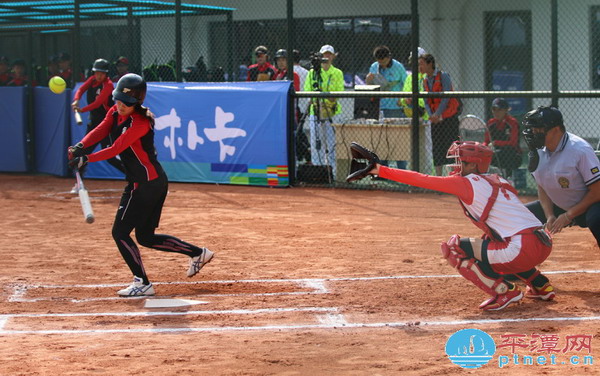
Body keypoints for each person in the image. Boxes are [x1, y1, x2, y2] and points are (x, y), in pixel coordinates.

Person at [356, 141, 555, 311]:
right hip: (542, 243)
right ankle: (541, 286)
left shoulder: (465, 183)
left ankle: (504, 291)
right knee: (491, 239)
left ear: (474, 165)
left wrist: (379, 169)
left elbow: (420, 179)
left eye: (462, 162)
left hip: (520, 249)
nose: (457, 166)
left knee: (455, 246)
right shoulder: (499, 180)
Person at [67, 73, 215, 296]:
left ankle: (142, 282)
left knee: (120, 232)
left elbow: (115, 148)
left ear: (137, 103)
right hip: (148, 182)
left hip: (147, 184)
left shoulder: (141, 122)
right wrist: (81, 146)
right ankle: (198, 253)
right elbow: (101, 130)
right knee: (145, 237)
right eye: (118, 100)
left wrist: (86, 158)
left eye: (126, 103)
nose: (120, 105)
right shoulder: (114, 111)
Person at [522, 106, 600, 247]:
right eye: (532, 129)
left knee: (597, 219)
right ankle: (523, 266)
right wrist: (549, 215)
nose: (534, 133)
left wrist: (569, 215)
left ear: (556, 129)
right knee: (519, 217)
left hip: (591, 204)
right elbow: (542, 185)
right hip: (561, 205)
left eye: (538, 129)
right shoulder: (538, 150)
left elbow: (597, 191)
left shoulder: (579, 150)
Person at [71, 58, 124, 190]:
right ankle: (79, 184)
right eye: (96, 72)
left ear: (106, 74)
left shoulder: (108, 85)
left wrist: (81, 109)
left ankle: (135, 177)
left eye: (102, 73)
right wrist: (76, 100)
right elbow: (81, 89)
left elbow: (98, 103)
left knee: (110, 156)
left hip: (107, 123)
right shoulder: (92, 80)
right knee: (82, 152)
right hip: (94, 122)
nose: (98, 75)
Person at [304, 44, 345, 179]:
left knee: (332, 143)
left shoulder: (337, 72)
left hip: (331, 112)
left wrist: (327, 100)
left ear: (333, 56)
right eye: (324, 54)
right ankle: (317, 172)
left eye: (329, 54)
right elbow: (308, 92)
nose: (326, 57)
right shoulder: (312, 72)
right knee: (316, 144)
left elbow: (338, 93)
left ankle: (332, 172)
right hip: (315, 111)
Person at [421, 53, 461, 176]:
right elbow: (426, 100)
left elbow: (446, 97)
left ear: (430, 64)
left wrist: (438, 114)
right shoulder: (425, 80)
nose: (419, 67)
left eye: (421, 64)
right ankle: (439, 178)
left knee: (451, 146)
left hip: (448, 118)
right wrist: (431, 115)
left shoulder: (443, 76)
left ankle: (453, 176)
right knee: (437, 148)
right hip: (435, 120)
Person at [365, 45, 407, 118]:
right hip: (379, 105)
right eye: (379, 62)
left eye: (384, 62)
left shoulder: (398, 67)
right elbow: (370, 86)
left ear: (389, 57)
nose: (382, 64)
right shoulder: (374, 66)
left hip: (395, 106)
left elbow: (406, 84)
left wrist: (402, 99)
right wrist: (368, 80)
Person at [484, 98, 522, 178]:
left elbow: (513, 143)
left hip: (513, 156)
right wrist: (482, 146)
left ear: (506, 110)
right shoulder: (490, 123)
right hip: (494, 153)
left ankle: (509, 177)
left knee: (508, 150)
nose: (496, 112)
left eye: (500, 109)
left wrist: (496, 143)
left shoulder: (512, 122)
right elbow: (486, 141)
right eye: (494, 109)